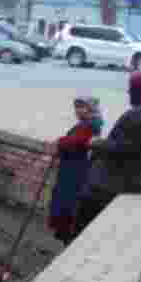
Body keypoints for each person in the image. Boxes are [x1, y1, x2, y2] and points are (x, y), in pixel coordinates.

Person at [72, 72, 141, 239]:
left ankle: (78, 241)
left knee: (86, 209)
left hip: (124, 179)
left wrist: (96, 143)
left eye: (132, 90)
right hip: (122, 173)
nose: (128, 93)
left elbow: (124, 148)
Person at [47, 96, 104, 245]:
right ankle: (65, 235)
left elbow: (76, 141)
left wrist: (60, 142)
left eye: (82, 107)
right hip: (70, 169)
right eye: (77, 107)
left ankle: (68, 237)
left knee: (70, 204)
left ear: (90, 109)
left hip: (77, 171)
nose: (78, 111)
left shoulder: (92, 125)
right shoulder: (84, 124)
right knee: (65, 203)